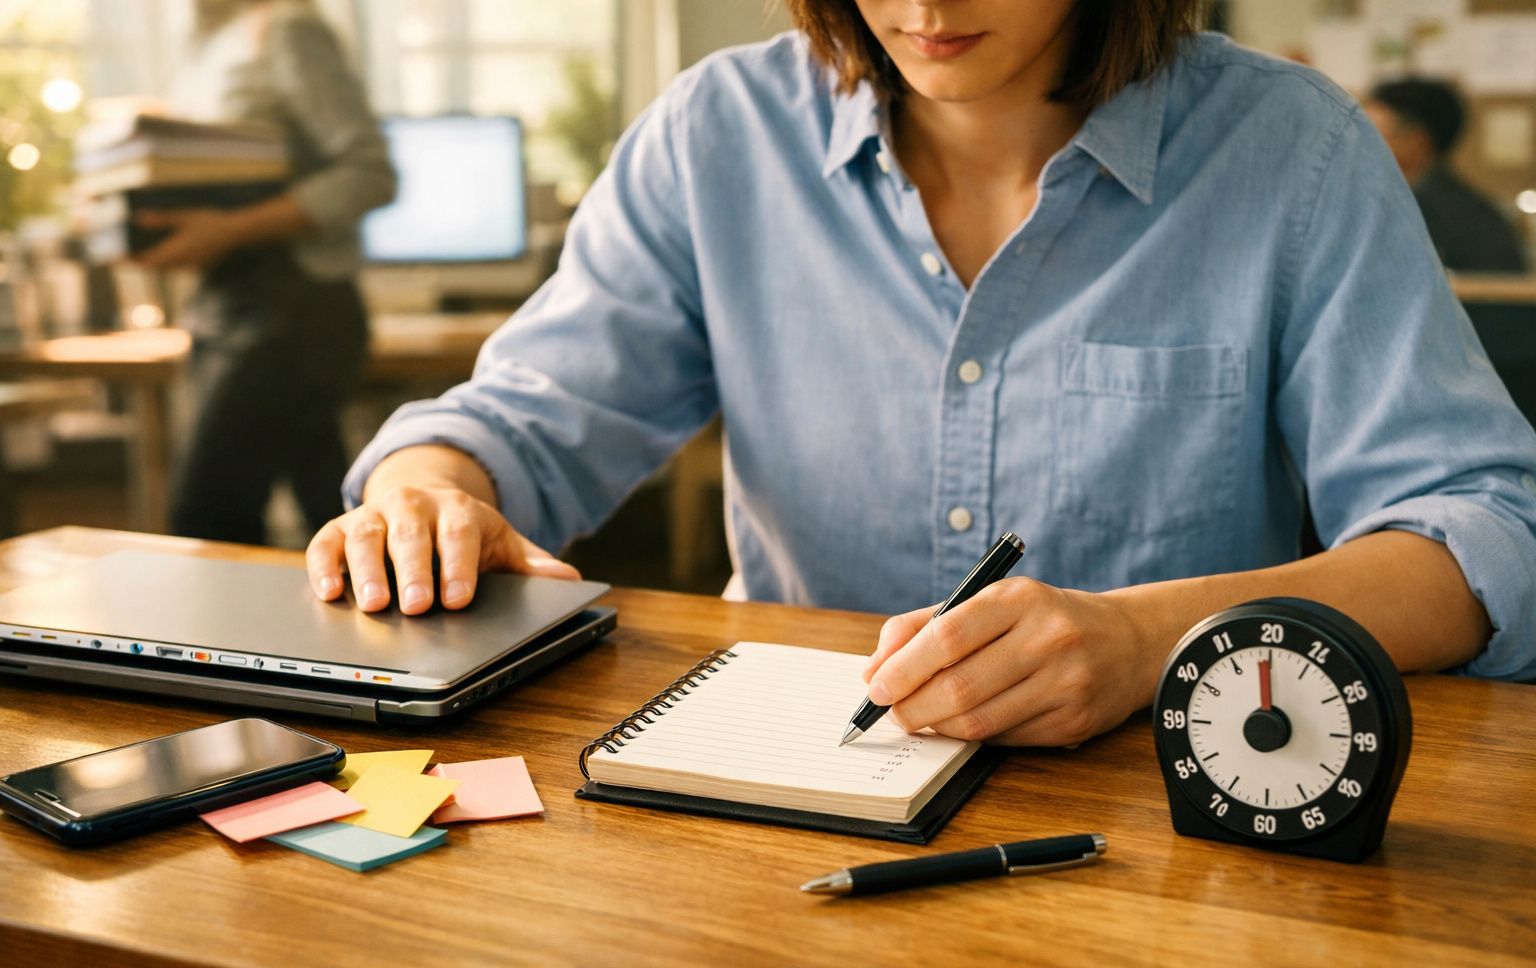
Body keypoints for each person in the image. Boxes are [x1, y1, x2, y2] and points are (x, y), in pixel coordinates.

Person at [309, 0, 1536, 748]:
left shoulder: (1292, 150)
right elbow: (515, 424)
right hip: (773, 795)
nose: (923, 0)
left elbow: (1492, 534)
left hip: (1167, 825)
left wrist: (1148, 639)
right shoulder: (718, 134)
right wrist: (430, 491)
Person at [136, 0, 396, 544]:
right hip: (224, 302)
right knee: (332, 515)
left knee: (206, 519)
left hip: (291, 309)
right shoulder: (205, 45)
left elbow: (371, 173)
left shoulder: (289, 29)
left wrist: (226, 230)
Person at [1365, 76, 1536, 422]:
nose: (1361, 144)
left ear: (1415, 140)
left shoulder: (1427, 209)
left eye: (1372, 131)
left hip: (1482, 385)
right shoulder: (1454, 199)